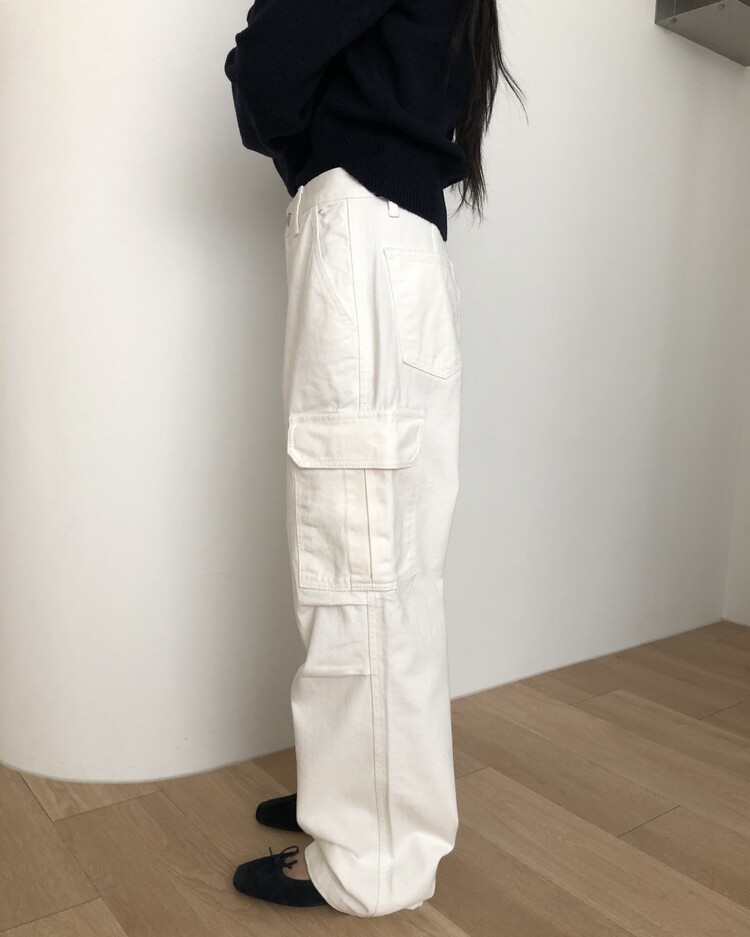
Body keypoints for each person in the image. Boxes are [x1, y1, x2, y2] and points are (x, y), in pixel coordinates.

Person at [223, 0, 524, 917]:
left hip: (361, 237)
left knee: (359, 553)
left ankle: (370, 853)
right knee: (392, 556)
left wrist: (310, 143)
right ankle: (358, 790)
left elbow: (266, 69)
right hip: (402, 245)